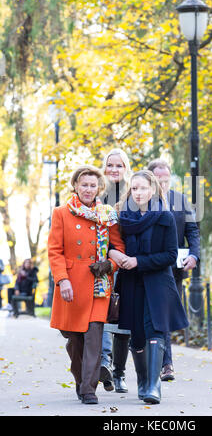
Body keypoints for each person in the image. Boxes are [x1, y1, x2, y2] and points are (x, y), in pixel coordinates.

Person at [48, 165, 125, 405]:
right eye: (84, 184)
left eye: (93, 185)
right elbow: (55, 251)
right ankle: (81, 380)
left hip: (97, 286)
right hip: (71, 285)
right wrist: (63, 280)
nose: (88, 189)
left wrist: (109, 266)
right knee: (75, 341)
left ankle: (89, 389)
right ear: (76, 186)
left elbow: (118, 249)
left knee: (94, 336)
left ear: (99, 188)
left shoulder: (107, 215)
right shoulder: (61, 212)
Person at [114, 170, 189, 404]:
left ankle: (154, 385)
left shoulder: (164, 217)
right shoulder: (123, 217)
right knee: (136, 335)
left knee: (155, 329)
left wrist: (138, 261)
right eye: (134, 189)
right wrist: (116, 254)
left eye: (143, 188)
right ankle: (143, 381)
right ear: (130, 191)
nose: (138, 193)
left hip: (157, 283)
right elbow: (111, 243)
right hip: (131, 283)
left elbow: (170, 255)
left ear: (153, 189)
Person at [147, 158, 200, 381]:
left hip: (174, 269)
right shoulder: (139, 200)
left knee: (165, 315)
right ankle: (148, 360)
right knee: (149, 316)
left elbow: (193, 232)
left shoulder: (181, 201)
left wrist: (194, 255)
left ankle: (166, 364)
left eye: (165, 180)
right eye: (158, 180)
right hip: (147, 268)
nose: (162, 183)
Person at [99, 148, 132, 394]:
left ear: (126, 168)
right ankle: (104, 364)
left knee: (122, 320)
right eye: (110, 165)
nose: (114, 169)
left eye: (119, 165)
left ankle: (119, 373)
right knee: (100, 315)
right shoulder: (97, 193)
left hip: (128, 262)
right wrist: (111, 253)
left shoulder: (134, 193)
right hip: (102, 264)